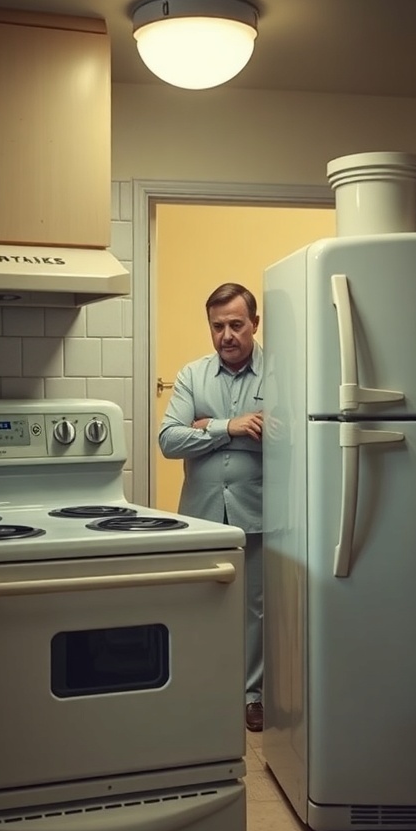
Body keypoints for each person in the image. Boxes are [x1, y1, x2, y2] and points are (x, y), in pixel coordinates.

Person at [158, 282, 264, 732]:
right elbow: (169, 440)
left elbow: (290, 439)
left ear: (254, 324)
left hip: (260, 512)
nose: (227, 335)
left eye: (236, 325)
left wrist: (204, 428)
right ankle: (201, 686)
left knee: (253, 607)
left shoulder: (281, 374)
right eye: (217, 326)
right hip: (201, 512)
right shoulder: (191, 375)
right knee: (203, 603)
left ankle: (251, 695)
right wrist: (231, 427)